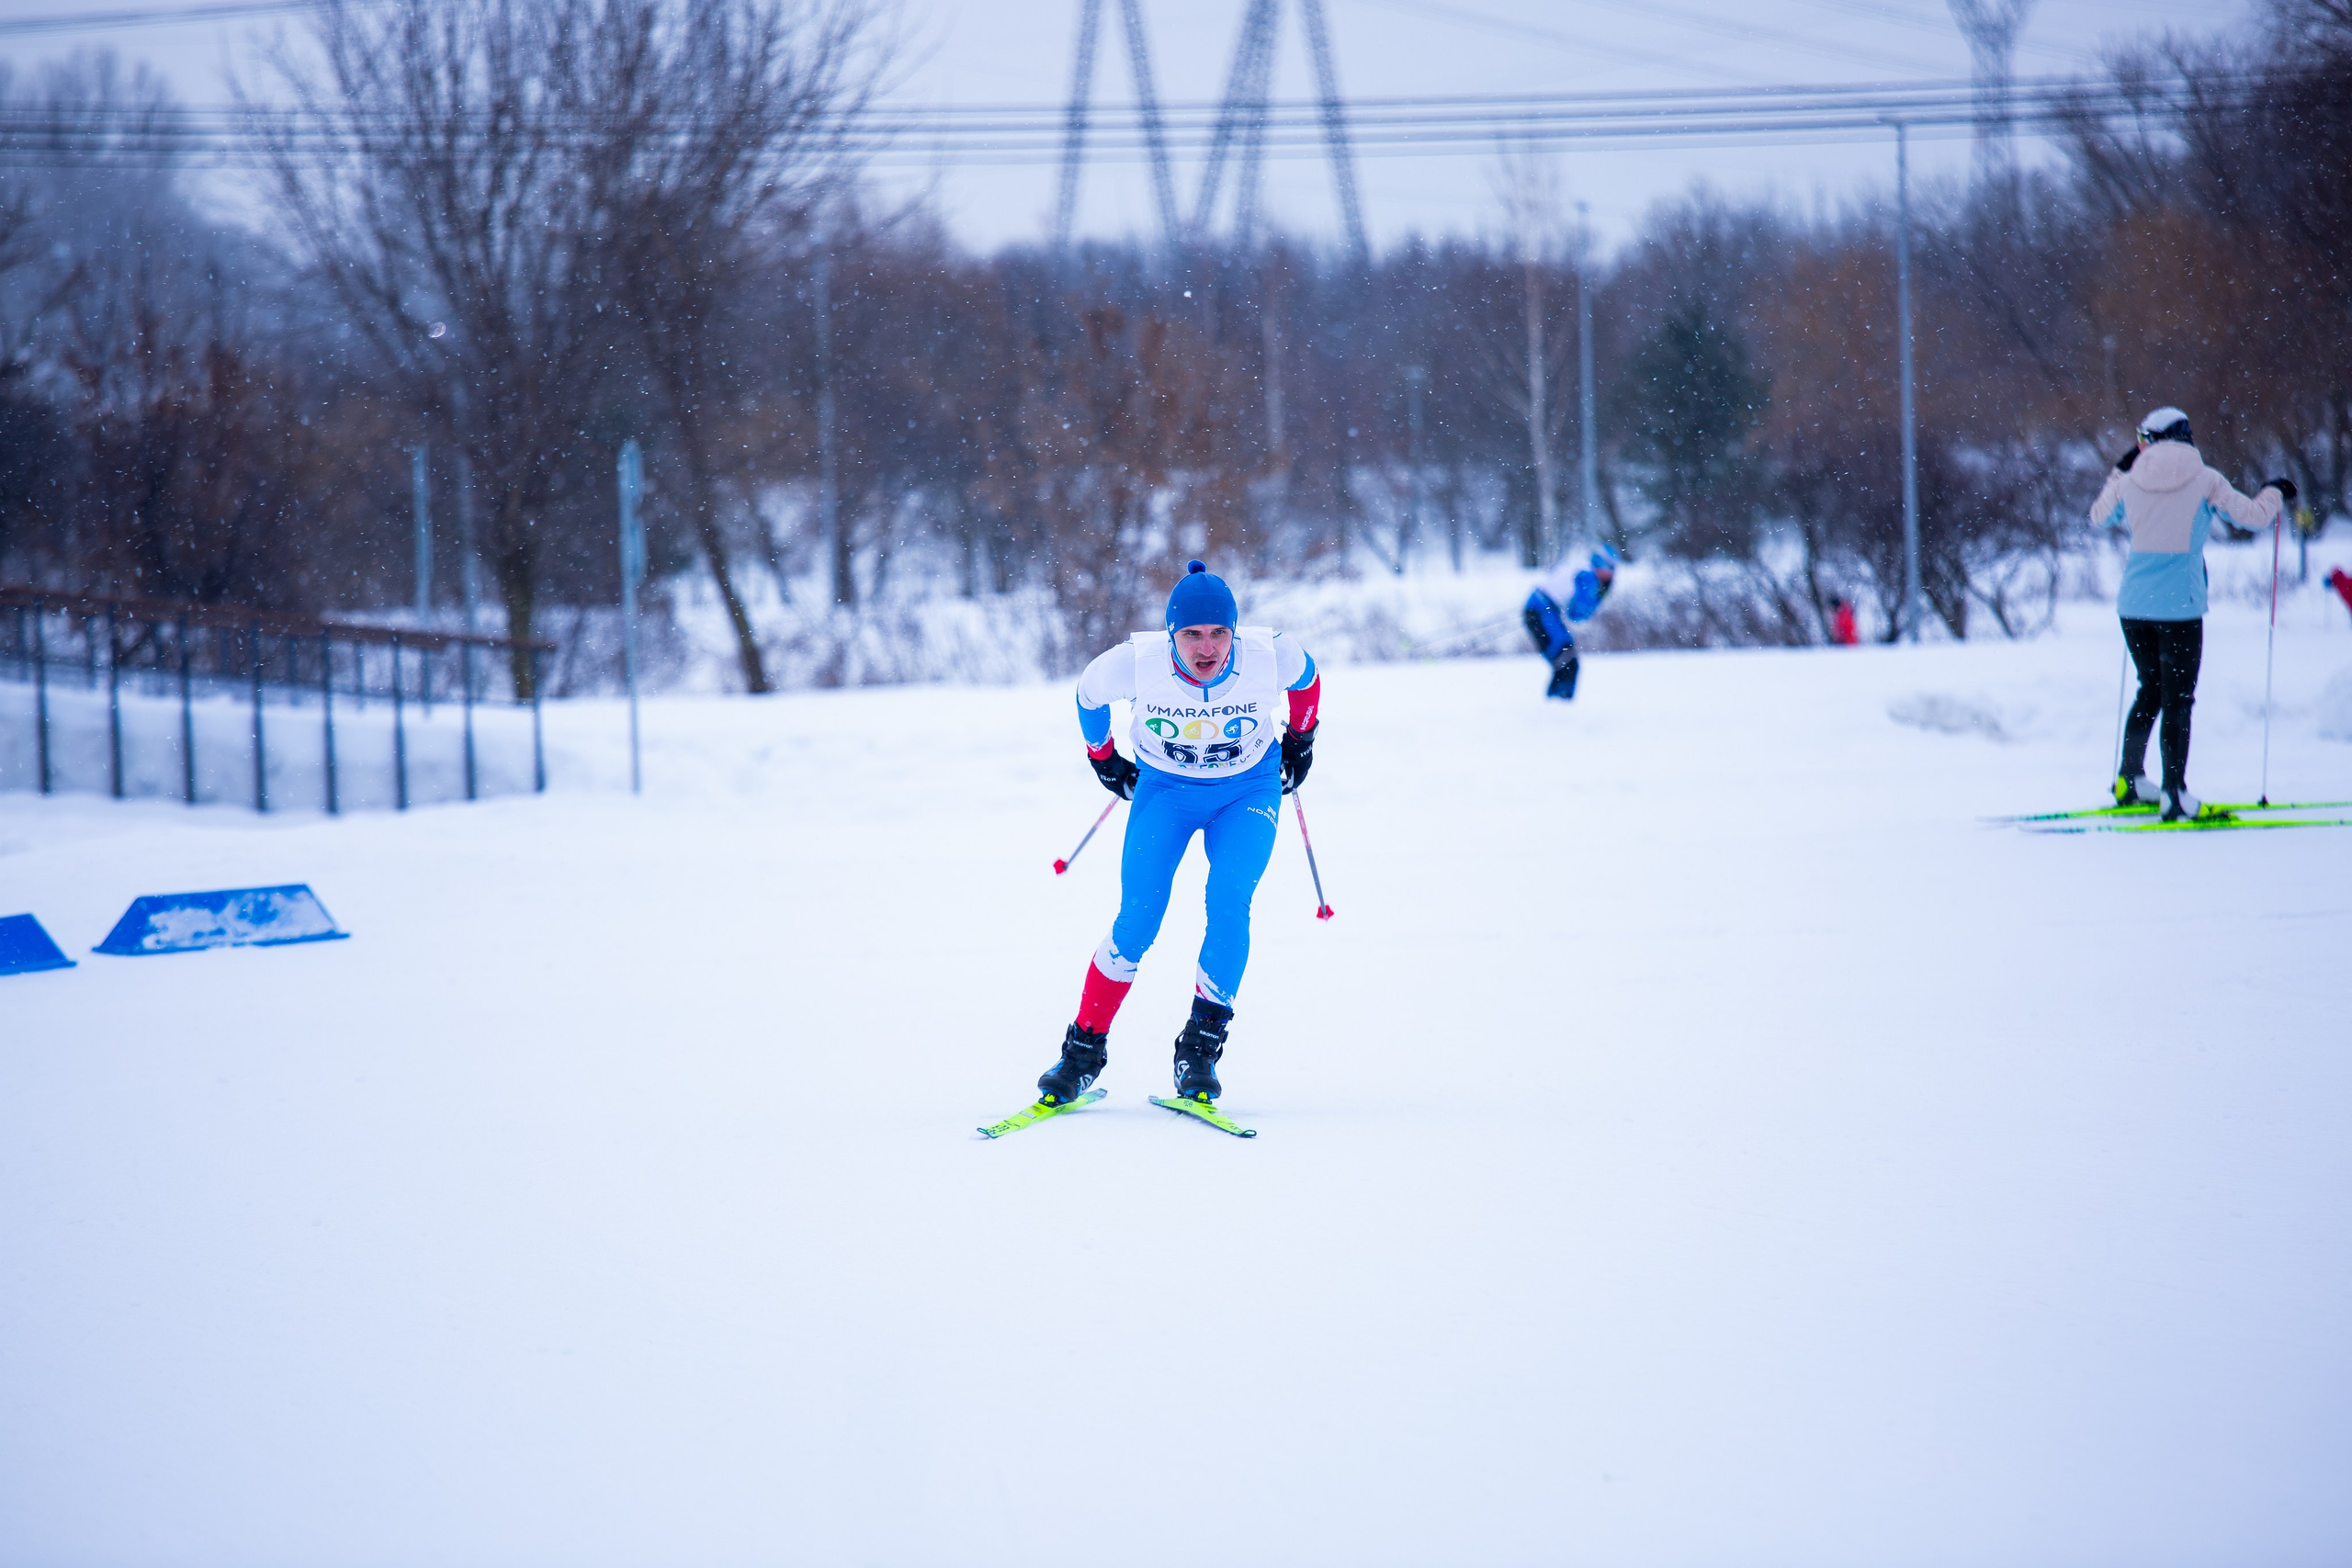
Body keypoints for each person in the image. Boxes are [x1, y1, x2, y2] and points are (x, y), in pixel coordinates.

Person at [1035, 561, 1322, 1109]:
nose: (1207, 647)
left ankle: (1199, 1049)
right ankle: (1082, 1054)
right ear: (1171, 635)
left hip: (1248, 792)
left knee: (1229, 899)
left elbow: (1307, 680)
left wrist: (1303, 739)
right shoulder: (1134, 664)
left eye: (1219, 633)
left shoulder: (1270, 654)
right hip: (1165, 791)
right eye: (1191, 634)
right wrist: (1104, 758)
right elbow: (1087, 697)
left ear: (1235, 632)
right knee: (1138, 917)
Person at [2091, 405, 2296, 820]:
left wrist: (2118, 470)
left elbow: (2098, 518)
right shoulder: (2206, 480)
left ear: (2150, 440)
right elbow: (2254, 518)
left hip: (2133, 607)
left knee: (2150, 689)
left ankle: (2129, 780)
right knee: (2178, 699)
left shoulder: (2130, 480)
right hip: (2180, 609)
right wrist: (2274, 489)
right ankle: (2174, 794)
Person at [1521, 544, 1618, 699]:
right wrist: (1600, 595)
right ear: (1600, 564)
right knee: (1567, 660)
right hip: (1543, 611)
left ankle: (1555, 705)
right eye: (1610, 568)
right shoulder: (1589, 576)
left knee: (1564, 660)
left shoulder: (1580, 565)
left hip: (1539, 608)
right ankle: (1559, 707)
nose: (1611, 575)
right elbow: (1577, 614)